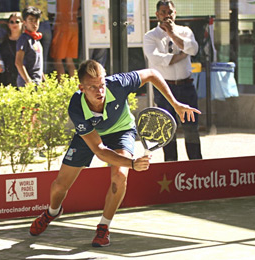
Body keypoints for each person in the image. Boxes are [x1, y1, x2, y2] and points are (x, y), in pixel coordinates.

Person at [29, 59, 201, 247]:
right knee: (59, 186)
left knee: (119, 176)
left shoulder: (118, 83)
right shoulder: (76, 106)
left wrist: (175, 104)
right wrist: (134, 164)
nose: (100, 91)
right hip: (90, 137)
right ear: (82, 88)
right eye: (93, 87)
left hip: (121, 131)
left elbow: (152, 73)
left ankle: (104, 226)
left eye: (101, 85)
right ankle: (52, 212)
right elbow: (99, 150)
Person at [143, 0, 202, 161]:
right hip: (165, 89)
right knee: (167, 130)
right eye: (163, 12)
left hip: (186, 86)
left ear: (175, 13)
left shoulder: (185, 31)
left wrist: (172, 34)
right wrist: (182, 55)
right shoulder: (150, 36)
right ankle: (170, 166)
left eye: (170, 12)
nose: (167, 16)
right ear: (157, 15)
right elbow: (157, 59)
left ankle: (196, 165)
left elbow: (194, 49)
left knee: (191, 129)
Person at [20, 0, 52, 74]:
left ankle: (35, 75)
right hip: (45, 21)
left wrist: (24, 24)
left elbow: (22, 7)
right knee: (43, 56)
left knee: (32, 55)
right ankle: (43, 75)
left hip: (31, 22)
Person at [50, 0, 80, 78]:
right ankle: (74, 86)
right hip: (74, 25)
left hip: (61, 26)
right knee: (69, 61)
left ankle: (62, 86)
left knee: (58, 60)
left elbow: (51, 9)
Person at [15, 6, 44, 87]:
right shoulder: (23, 39)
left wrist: (43, 79)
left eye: (36, 21)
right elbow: (18, 62)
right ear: (24, 22)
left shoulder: (36, 39)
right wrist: (28, 80)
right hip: (28, 83)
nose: (34, 24)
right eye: (31, 20)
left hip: (38, 81)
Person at [0, 13, 23, 86]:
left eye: (17, 22)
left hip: (23, 74)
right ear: (8, 25)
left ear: (22, 23)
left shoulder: (25, 40)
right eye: (11, 22)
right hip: (8, 75)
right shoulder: (4, 41)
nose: (14, 24)